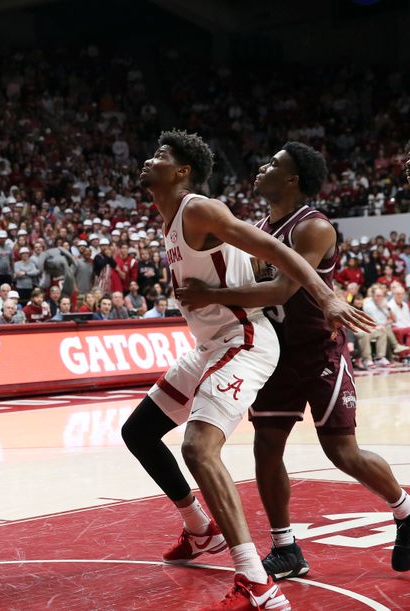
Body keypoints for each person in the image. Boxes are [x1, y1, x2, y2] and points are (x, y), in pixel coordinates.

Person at [121, 131, 372, 610]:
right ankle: (199, 530)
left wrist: (326, 295)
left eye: (161, 156)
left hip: (246, 341)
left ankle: (258, 583)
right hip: (211, 344)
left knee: (198, 448)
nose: (149, 160)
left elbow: (279, 253)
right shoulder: (171, 218)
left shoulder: (200, 210)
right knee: (139, 432)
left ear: (182, 172)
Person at [176, 141, 410, 578]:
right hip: (276, 354)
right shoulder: (259, 228)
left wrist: (211, 294)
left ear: (292, 179)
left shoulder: (314, 227)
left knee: (342, 452)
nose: (262, 167)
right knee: (266, 448)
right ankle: (285, 548)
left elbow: (283, 291)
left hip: (319, 349)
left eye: (273, 163)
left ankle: (405, 510)